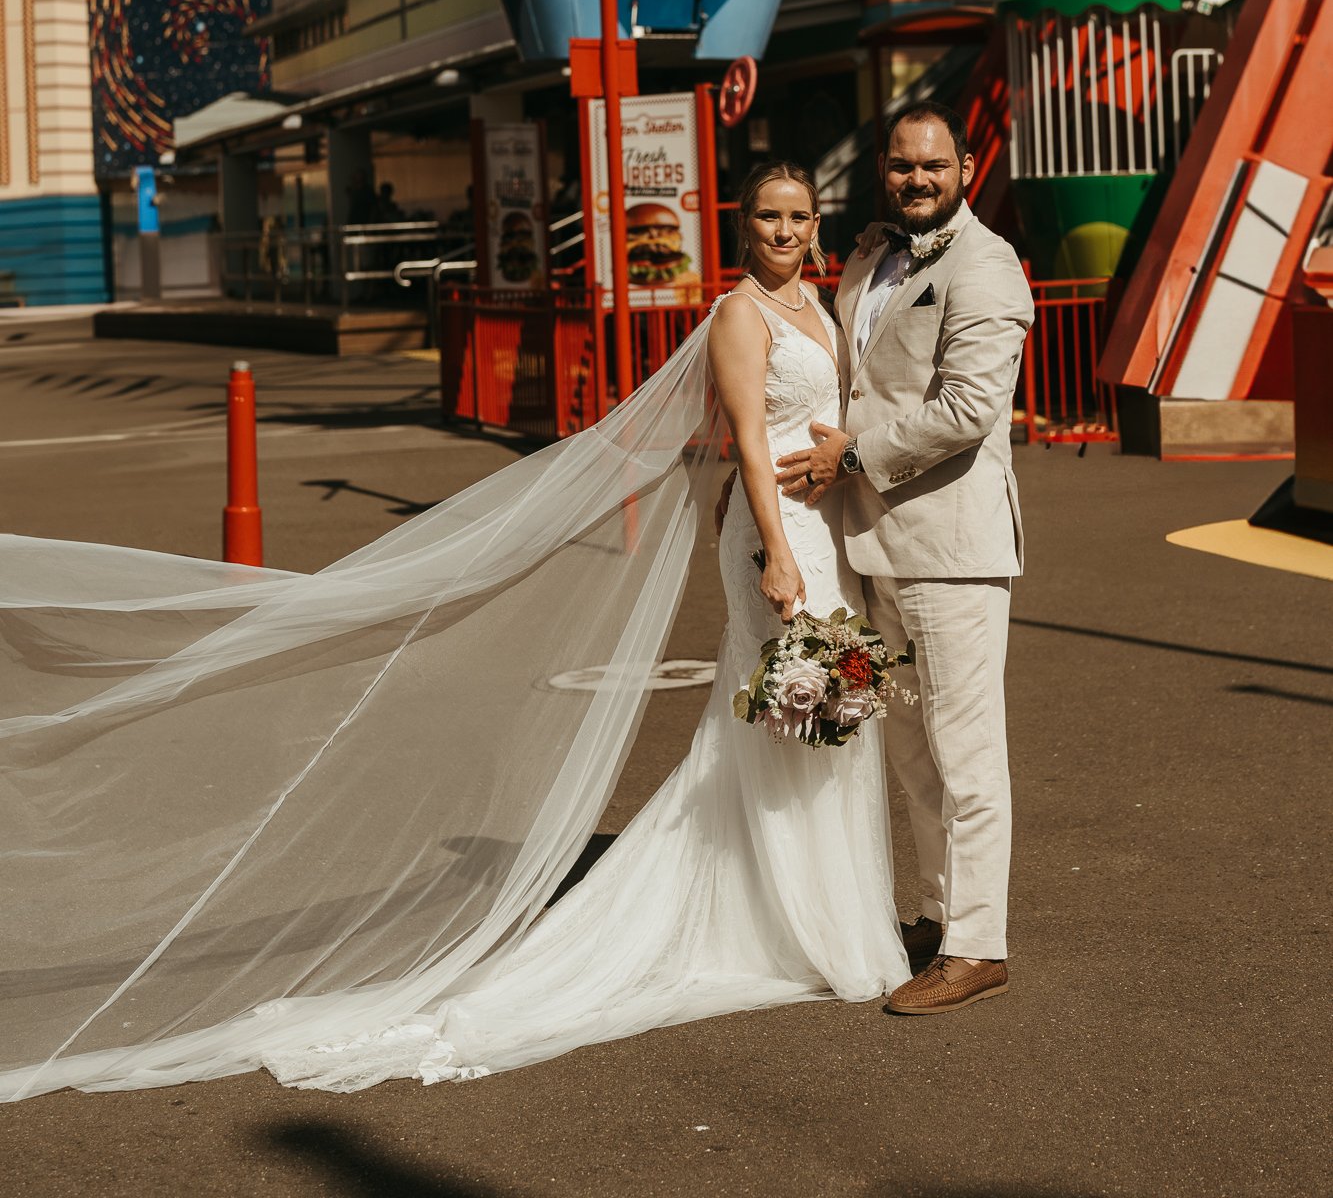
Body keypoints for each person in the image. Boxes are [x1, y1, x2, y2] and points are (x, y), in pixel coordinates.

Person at [0, 162, 906, 1100]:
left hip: (825, 526)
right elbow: (748, 442)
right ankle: (797, 924)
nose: (784, 230)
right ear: (742, 223)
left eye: (797, 216)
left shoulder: (822, 305)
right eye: (767, 215)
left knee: (820, 718)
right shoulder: (736, 314)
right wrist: (773, 547)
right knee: (782, 717)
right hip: (778, 537)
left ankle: (821, 916)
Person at [775, 101, 1033, 1015]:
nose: (914, 179)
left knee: (963, 753)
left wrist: (851, 456)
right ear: (881, 169)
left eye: (932, 166)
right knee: (911, 752)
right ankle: (935, 915)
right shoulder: (866, 254)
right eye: (899, 165)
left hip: (948, 544)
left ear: (964, 167)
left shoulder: (986, 264)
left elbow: (969, 408)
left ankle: (977, 944)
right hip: (871, 542)